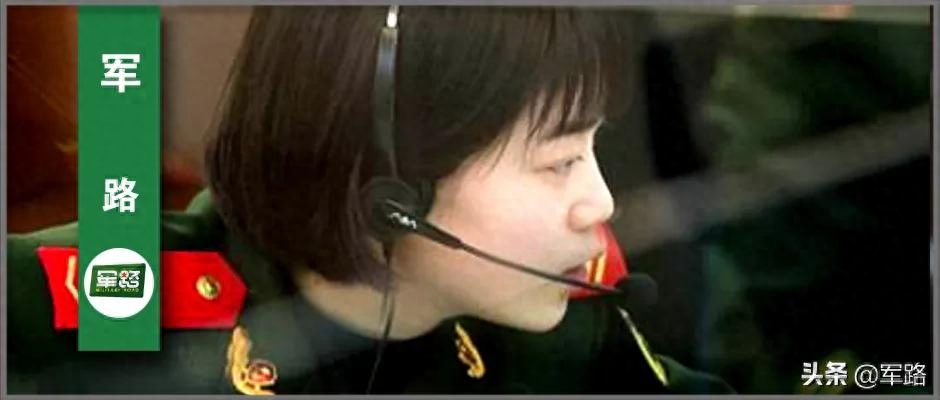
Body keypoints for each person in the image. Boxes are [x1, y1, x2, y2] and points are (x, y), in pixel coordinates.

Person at [7, 6, 734, 394]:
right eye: (558, 162)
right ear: (390, 184)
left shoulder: (561, 333)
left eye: (593, 148)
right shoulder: (89, 310)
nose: (599, 203)